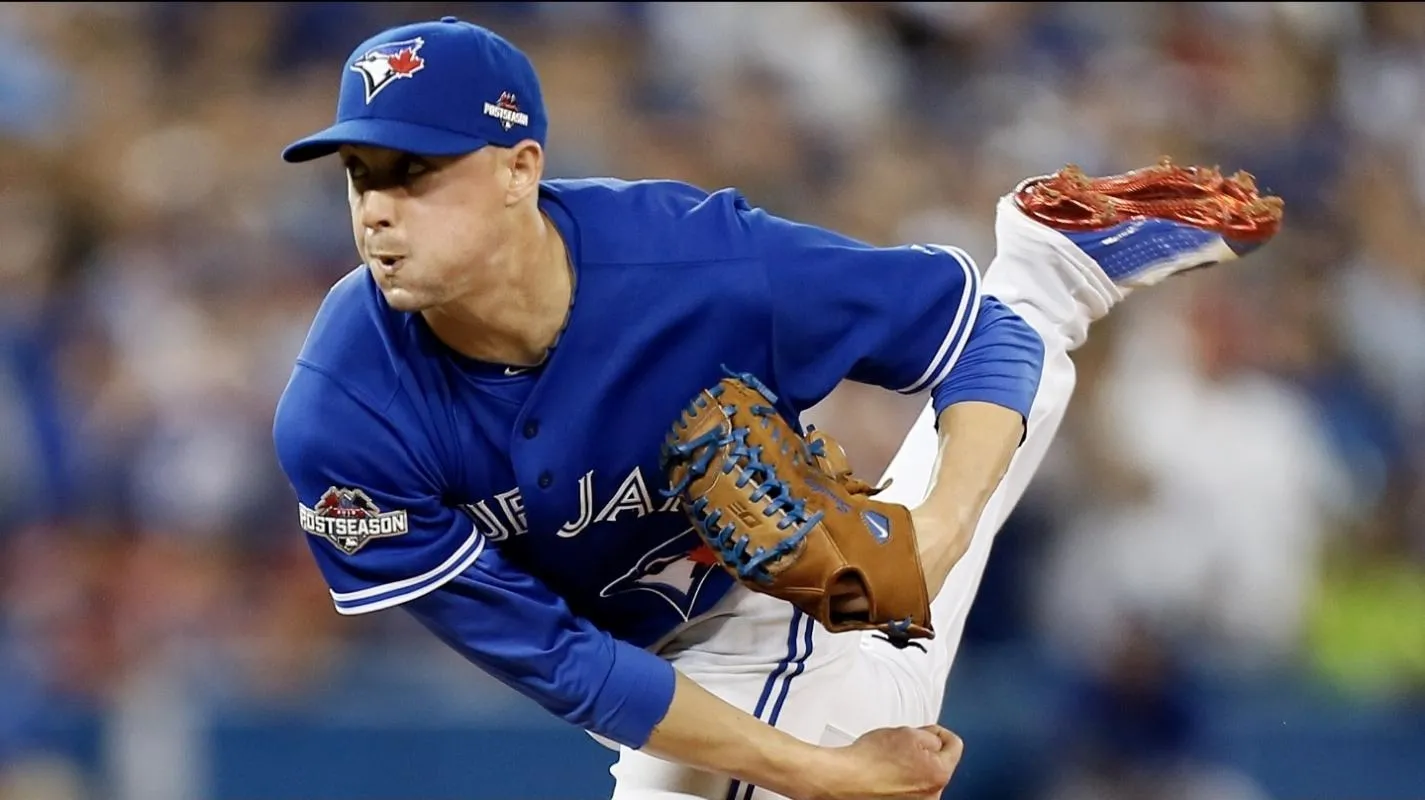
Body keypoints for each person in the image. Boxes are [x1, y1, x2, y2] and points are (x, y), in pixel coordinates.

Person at [271, 15, 1281, 800]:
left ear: (520, 170)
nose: (377, 208)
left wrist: (932, 536)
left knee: (880, 612)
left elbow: (976, 338)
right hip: (632, 659)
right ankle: (1049, 273)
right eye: (362, 173)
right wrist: (822, 769)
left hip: (767, 597)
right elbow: (568, 663)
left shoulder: (696, 265)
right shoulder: (343, 411)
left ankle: (1045, 283)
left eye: (416, 170)